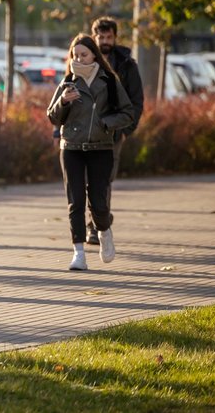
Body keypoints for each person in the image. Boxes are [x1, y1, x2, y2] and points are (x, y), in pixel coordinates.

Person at [47, 33, 134, 271]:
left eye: (83, 55)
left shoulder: (108, 81)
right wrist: (63, 102)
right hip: (71, 148)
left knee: (98, 202)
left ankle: (104, 231)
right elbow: (52, 117)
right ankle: (79, 253)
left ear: (94, 54)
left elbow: (128, 113)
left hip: (101, 148)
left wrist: (105, 123)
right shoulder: (68, 82)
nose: (79, 59)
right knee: (75, 201)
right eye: (75, 55)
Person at [85, 16, 144, 246]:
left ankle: (97, 225)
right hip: (85, 131)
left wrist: (127, 129)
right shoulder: (84, 59)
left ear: (115, 37)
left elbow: (137, 100)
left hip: (113, 133)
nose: (105, 41)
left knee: (103, 180)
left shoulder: (127, 64)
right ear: (94, 36)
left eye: (109, 37)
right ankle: (98, 222)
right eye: (101, 37)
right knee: (87, 180)